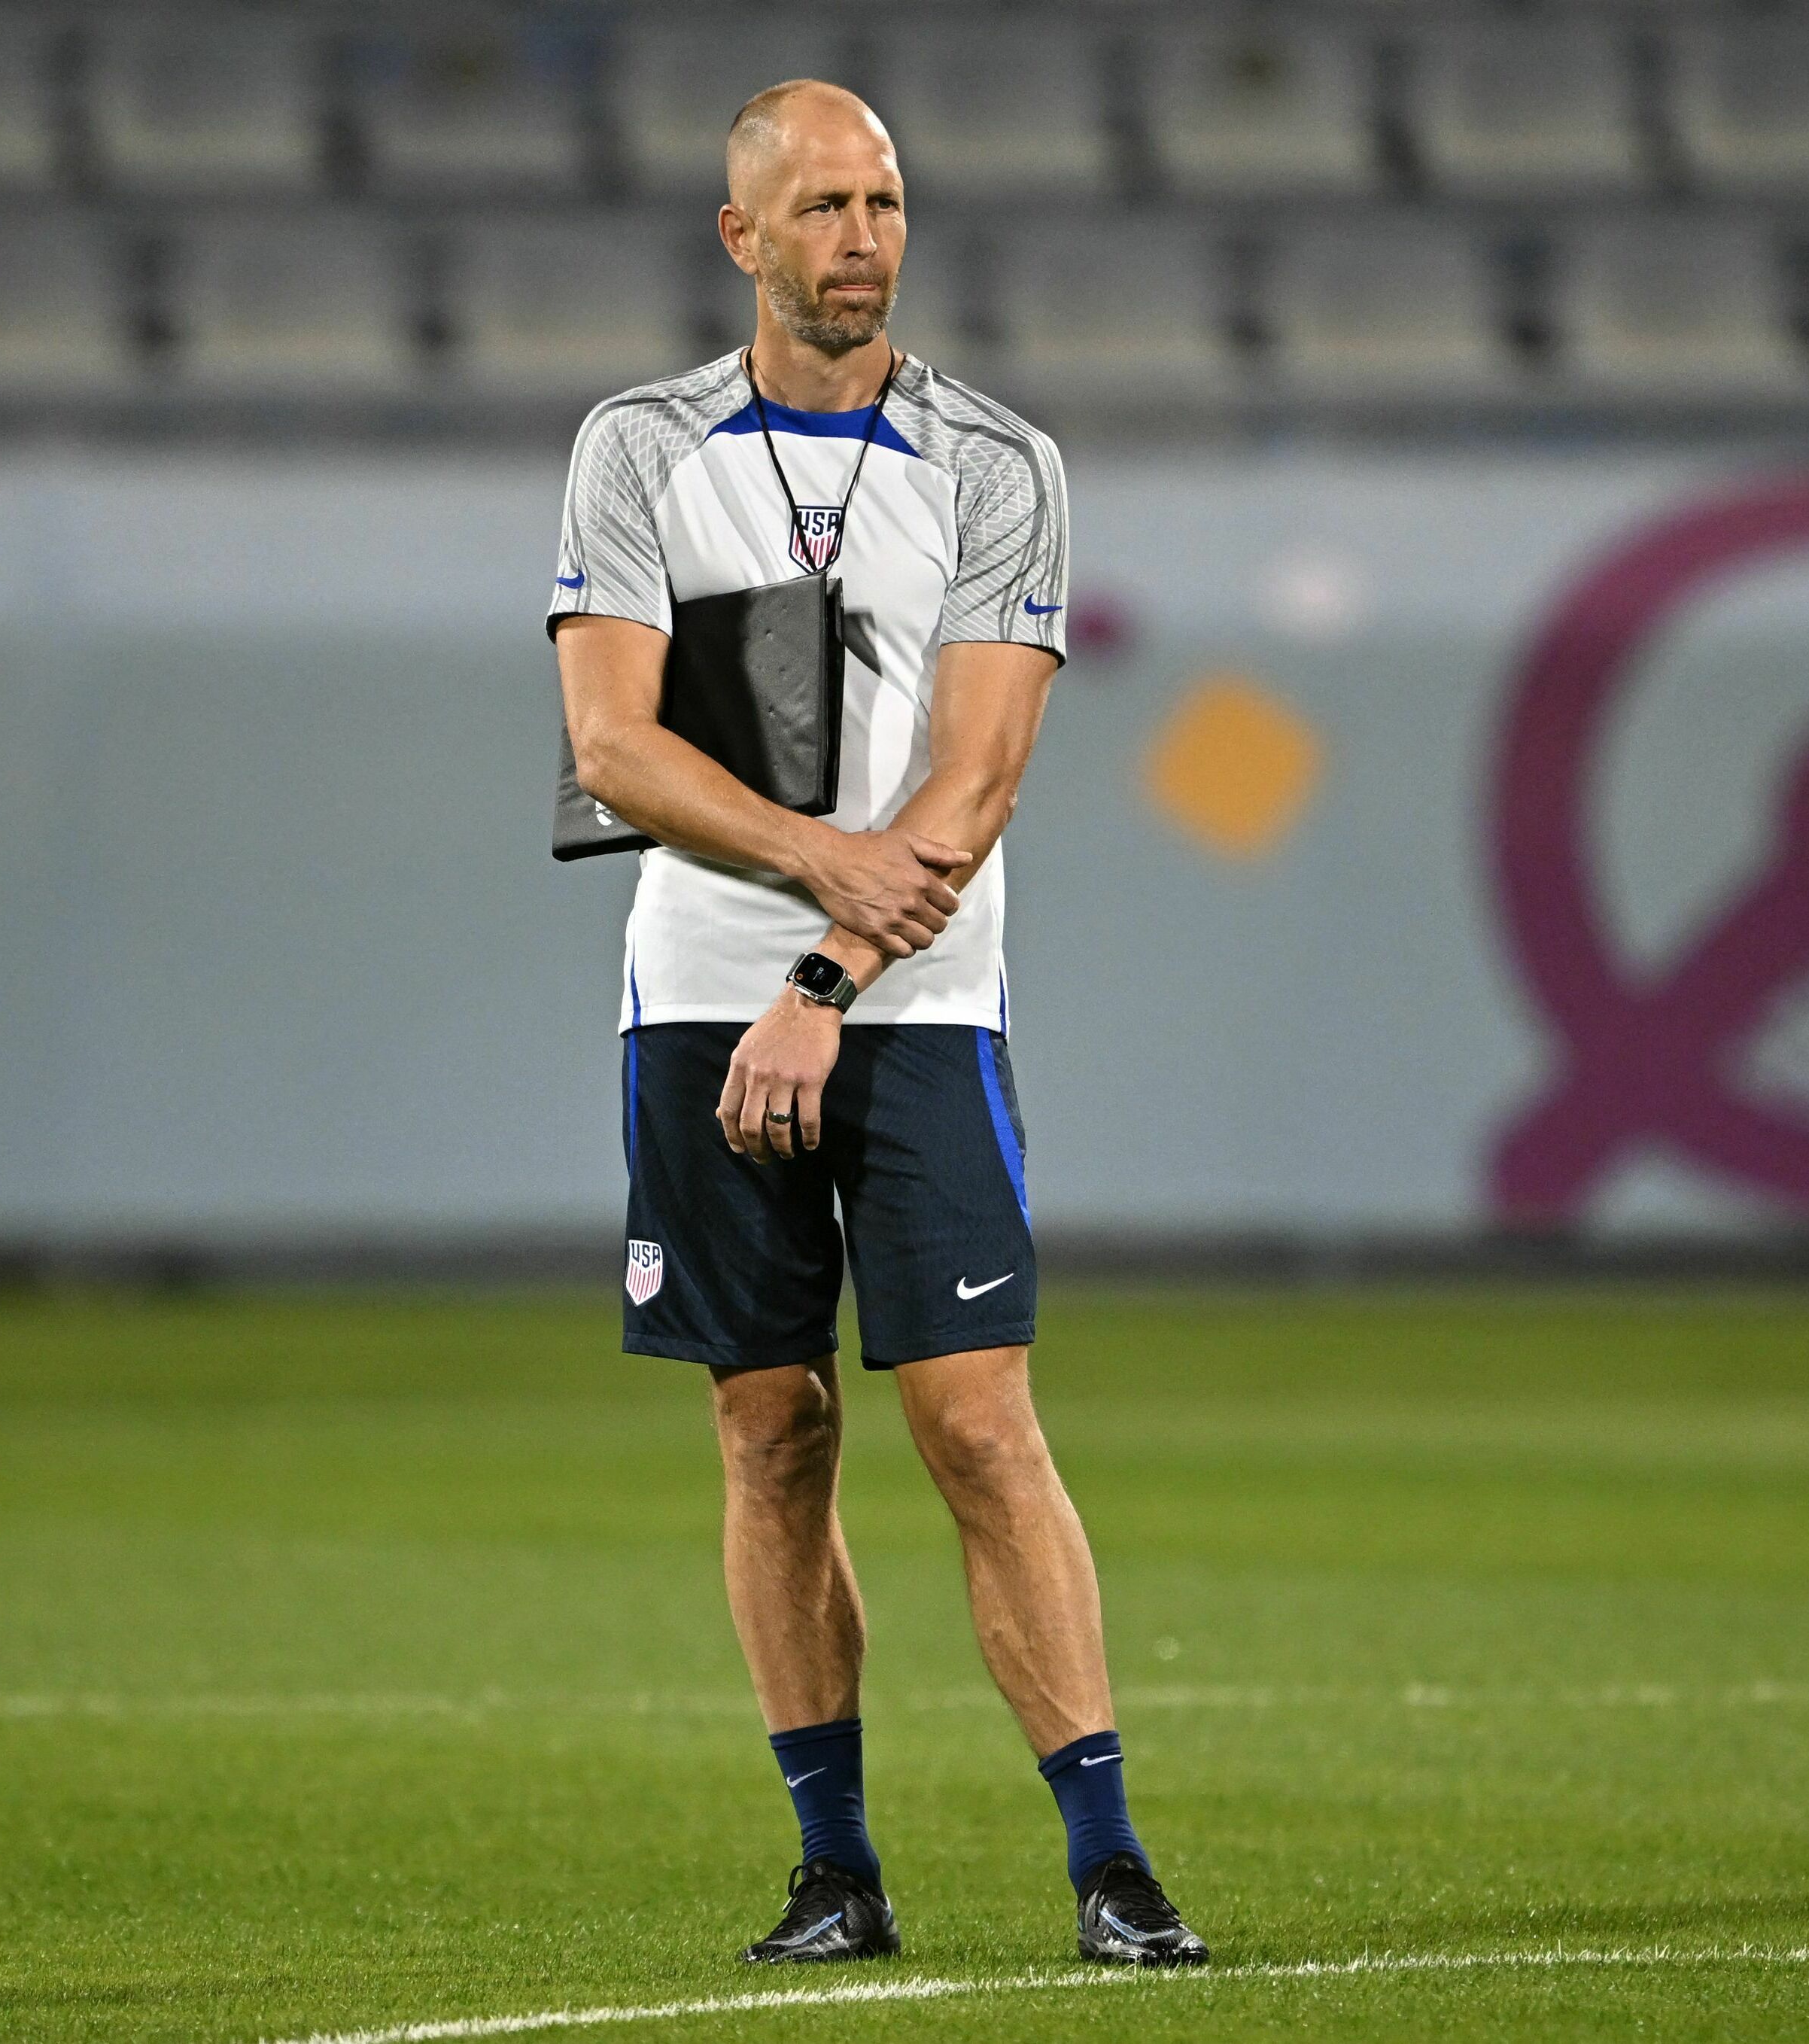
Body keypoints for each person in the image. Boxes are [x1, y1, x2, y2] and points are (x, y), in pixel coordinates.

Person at [546, 78, 1207, 1970]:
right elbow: (611, 745)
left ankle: (1110, 1863)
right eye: (824, 205)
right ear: (740, 234)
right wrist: (817, 868)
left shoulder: (997, 460)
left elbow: (978, 778)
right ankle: (833, 1869)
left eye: (886, 202)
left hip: (913, 1001)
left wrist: (825, 972)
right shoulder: (638, 445)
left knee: (977, 1422)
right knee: (770, 1424)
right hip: (696, 994)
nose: (863, 237)